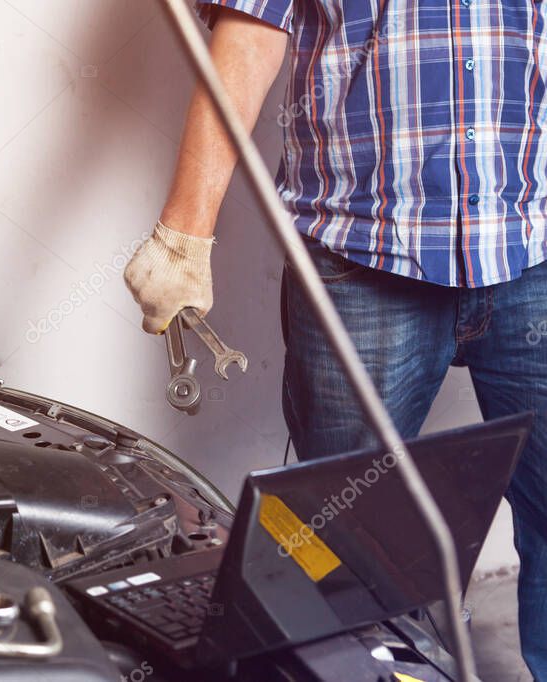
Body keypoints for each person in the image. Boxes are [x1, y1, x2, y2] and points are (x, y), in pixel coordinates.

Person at [123, 2, 547, 677]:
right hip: (363, 254)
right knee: (339, 541)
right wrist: (183, 232)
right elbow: (250, 34)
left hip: (530, 245)